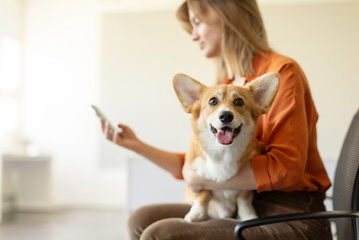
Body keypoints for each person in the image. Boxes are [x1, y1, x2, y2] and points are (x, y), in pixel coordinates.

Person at [100, 0, 333, 239]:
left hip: (290, 213)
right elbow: (197, 164)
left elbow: (286, 170)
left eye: (197, 23)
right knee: (140, 220)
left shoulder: (282, 72)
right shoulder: (227, 81)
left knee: (160, 234)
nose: (194, 36)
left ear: (225, 16)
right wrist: (136, 145)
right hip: (235, 204)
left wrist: (198, 178)